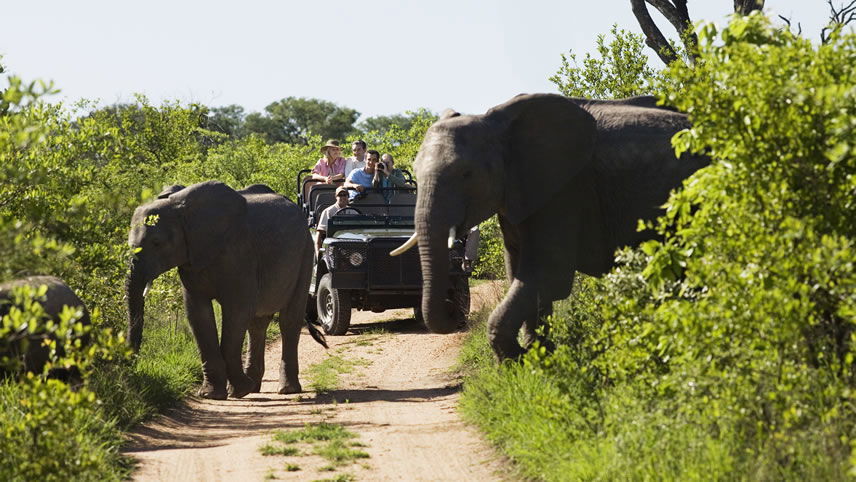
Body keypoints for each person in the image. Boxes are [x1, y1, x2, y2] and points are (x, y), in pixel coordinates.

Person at [315, 186, 350, 252]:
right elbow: (319, 233)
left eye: (344, 195)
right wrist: (318, 253)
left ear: (348, 196)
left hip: (350, 244)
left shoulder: (352, 211)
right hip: (333, 246)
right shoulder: (328, 211)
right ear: (336, 197)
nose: (342, 197)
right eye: (340, 195)